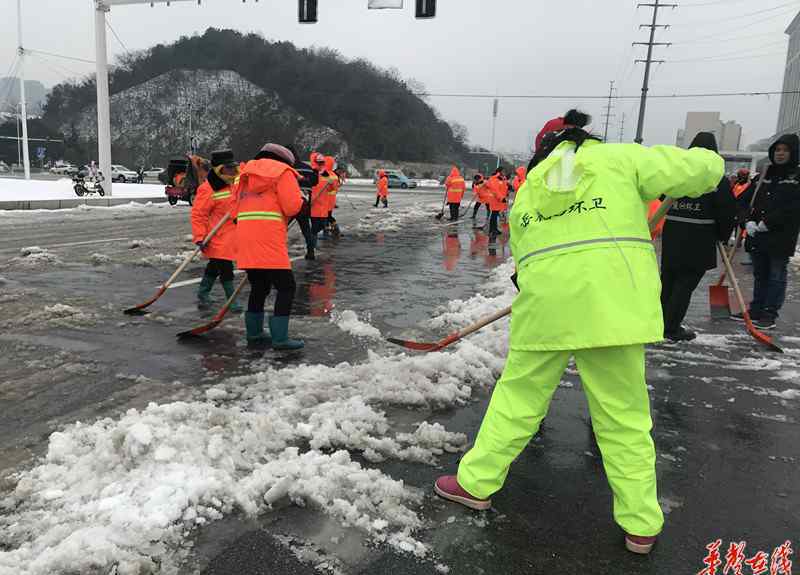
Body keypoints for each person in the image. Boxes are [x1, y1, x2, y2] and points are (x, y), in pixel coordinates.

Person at [433, 109, 724, 555]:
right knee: (623, 417)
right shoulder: (620, 159)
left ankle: (475, 483)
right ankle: (641, 523)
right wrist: (707, 155)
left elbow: (522, 258)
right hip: (612, 311)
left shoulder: (529, 190)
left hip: (547, 308)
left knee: (517, 401)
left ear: (542, 149)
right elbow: (700, 172)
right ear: (584, 138)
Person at [660, 132, 737, 341]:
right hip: (699, 237)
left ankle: (658, 323)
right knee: (684, 284)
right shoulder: (715, 178)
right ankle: (671, 328)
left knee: (668, 281)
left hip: (673, 234)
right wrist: (723, 234)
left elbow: (661, 194)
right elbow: (726, 210)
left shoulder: (679, 174)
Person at [234, 143, 305, 350]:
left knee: (259, 286)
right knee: (286, 287)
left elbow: (233, 204)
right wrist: (301, 201)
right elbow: (291, 206)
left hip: (246, 236)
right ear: (285, 160)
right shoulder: (283, 173)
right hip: (270, 239)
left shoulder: (244, 175)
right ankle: (280, 338)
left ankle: (254, 333)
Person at [737, 134, 800, 330]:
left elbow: (795, 207)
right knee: (760, 273)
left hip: (780, 236)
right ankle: (756, 309)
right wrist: (746, 221)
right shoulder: (764, 175)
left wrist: (769, 222)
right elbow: (744, 200)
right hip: (758, 235)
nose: (780, 154)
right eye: (777, 150)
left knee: (776, 275)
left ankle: (769, 313)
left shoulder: (797, 177)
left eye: (785, 150)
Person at [191, 150, 241, 312]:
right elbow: (199, 214)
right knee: (226, 267)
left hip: (232, 234)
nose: (233, 170)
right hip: (216, 236)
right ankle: (232, 300)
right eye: (229, 168)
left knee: (214, 265)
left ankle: (203, 292)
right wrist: (200, 237)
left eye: (234, 167)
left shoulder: (233, 184)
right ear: (220, 169)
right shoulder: (208, 189)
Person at [307, 155, 335, 260]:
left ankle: (311, 242)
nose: (321, 165)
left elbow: (331, 190)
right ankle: (311, 248)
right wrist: (311, 198)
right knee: (314, 229)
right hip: (313, 207)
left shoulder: (325, 174)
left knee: (320, 226)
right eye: (319, 163)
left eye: (322, 163)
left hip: (323, 207)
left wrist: (331, 184)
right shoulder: (311, 173)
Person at [485, 168, 507, 236]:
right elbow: (495, 190)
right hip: (495, 199)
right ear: (499, 172)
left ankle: (495, 229)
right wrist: (501, 198)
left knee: (495, 214)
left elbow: (502, 188)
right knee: (494, 215)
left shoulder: (501, 179)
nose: (504, 172)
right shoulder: (495, 179)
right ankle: (492, 230)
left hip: (498, 200)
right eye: (503, 171)